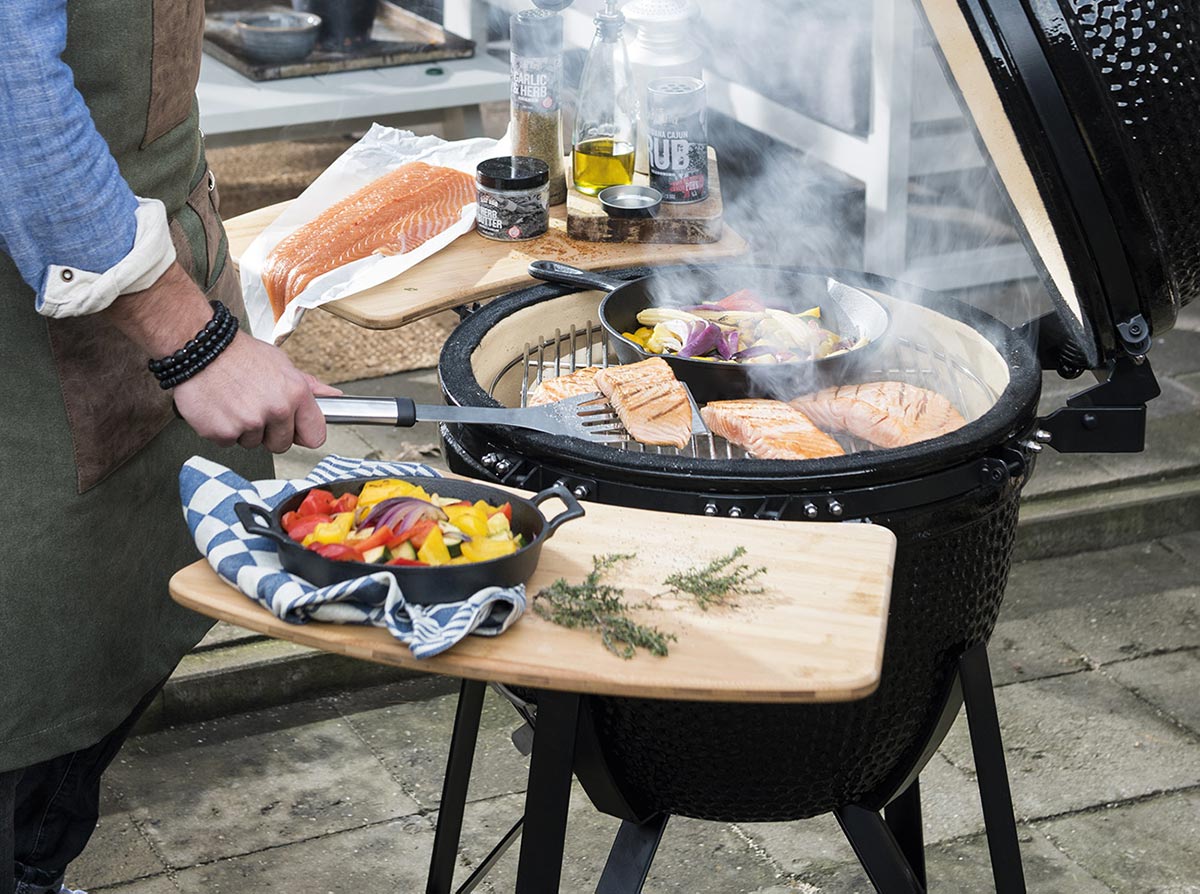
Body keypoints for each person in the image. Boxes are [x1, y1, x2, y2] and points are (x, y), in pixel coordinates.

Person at [0, 2, 340, 891]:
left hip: (161, 254)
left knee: (123, 643)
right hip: (27, 336)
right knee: (26, 696)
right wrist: (189, 336)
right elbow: (12, 88)